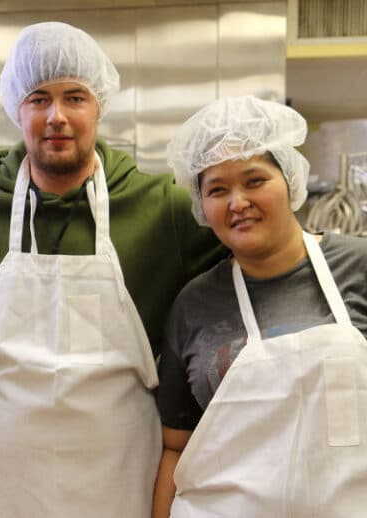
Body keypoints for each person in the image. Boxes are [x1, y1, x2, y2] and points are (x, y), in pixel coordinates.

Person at [0, 21, 226, 517]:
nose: (56, 116)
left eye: (74, 97)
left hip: (118, 477)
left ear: (99, 105)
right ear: (18, 109)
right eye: (39, 99)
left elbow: (247, 267)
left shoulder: (160, 208)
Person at [153, 95, 367, 517]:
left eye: (254, 181)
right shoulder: (193, 304)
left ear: (289, 180)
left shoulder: (358, 266)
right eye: (217, 189)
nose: (238, 202)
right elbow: (175, 448)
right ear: (202, 205)